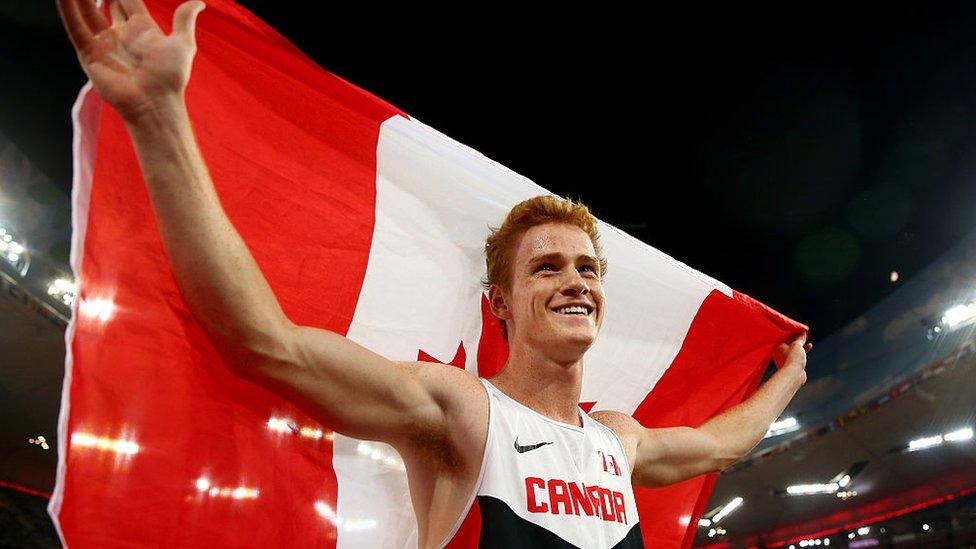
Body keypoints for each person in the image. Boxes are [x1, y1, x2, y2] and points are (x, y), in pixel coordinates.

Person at [55, 1, 812, 547]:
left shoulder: (619, 441)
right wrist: (159, 120)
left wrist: (790, 374)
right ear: (501, 304)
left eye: (586, 266)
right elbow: (268, 343)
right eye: (546, 266)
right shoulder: (462, 411)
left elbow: (720, 445)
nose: (576, 280)